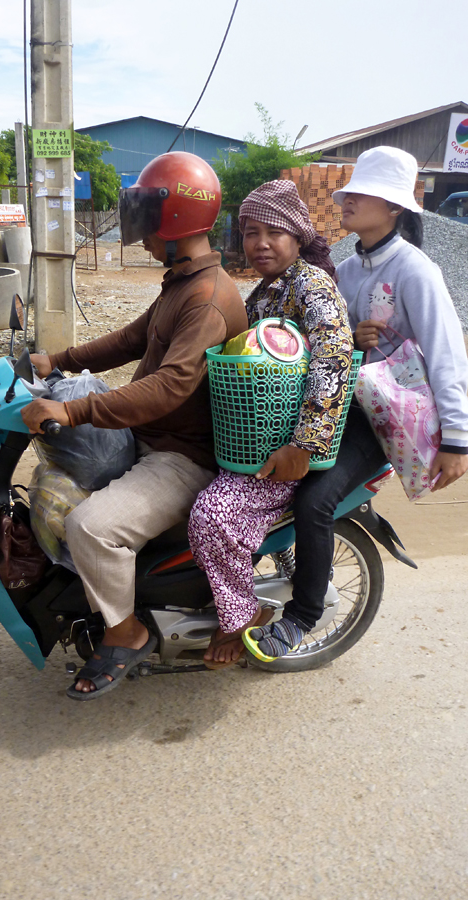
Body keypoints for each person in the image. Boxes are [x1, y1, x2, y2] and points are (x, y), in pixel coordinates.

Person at [20, 151, 248, 700]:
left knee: (90, 526)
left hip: (181, 457)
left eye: (148, 219)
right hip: (149, 439)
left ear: (173, 221)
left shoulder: (207, 299)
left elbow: (170, 386)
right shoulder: (182, 283)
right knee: (59, 475)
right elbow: (130, 340)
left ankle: (127, 630)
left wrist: (72, 409)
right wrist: (63, 360)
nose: (141, 234)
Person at [262, 146, 468, 662]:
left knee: (314, 500)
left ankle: (303, 614)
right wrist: (351, 338)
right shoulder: (345, 268)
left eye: (362, 193)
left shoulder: (417, 272)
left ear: (394, 207)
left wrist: (458, 440)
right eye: (350, 190)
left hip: (378, 423)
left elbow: (447, 356)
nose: (348, 199)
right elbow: (323, 338)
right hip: (329, 408)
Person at [187, 180, 354, 667]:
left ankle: (241, 618)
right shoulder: (263, 293)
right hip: (251, 443)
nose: (260, 243)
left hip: (283, 455)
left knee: (212, 518)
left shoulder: (311, 285)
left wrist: (303, 445)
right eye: (250, 232)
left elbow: (334, 357)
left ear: (298, 237)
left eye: (273, 232)